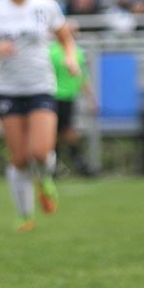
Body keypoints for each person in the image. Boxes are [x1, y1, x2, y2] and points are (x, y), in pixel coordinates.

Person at [0, 0, 79, 232]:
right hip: (8, 89)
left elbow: (66, 38)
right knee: (19, 158)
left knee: (41, 152)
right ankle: (25, 215)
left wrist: (71, 59)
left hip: (40, 86)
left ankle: (44, 179)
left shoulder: (46, 6)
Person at [49, 20, 96, 177]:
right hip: (53, 96)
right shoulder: (51, 51)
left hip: (68, 97)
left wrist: (91, 98)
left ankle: (67, 163)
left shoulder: (77, 52)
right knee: (58, 132)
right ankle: (71, 163)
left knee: (66, 131)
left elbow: (83, 78)